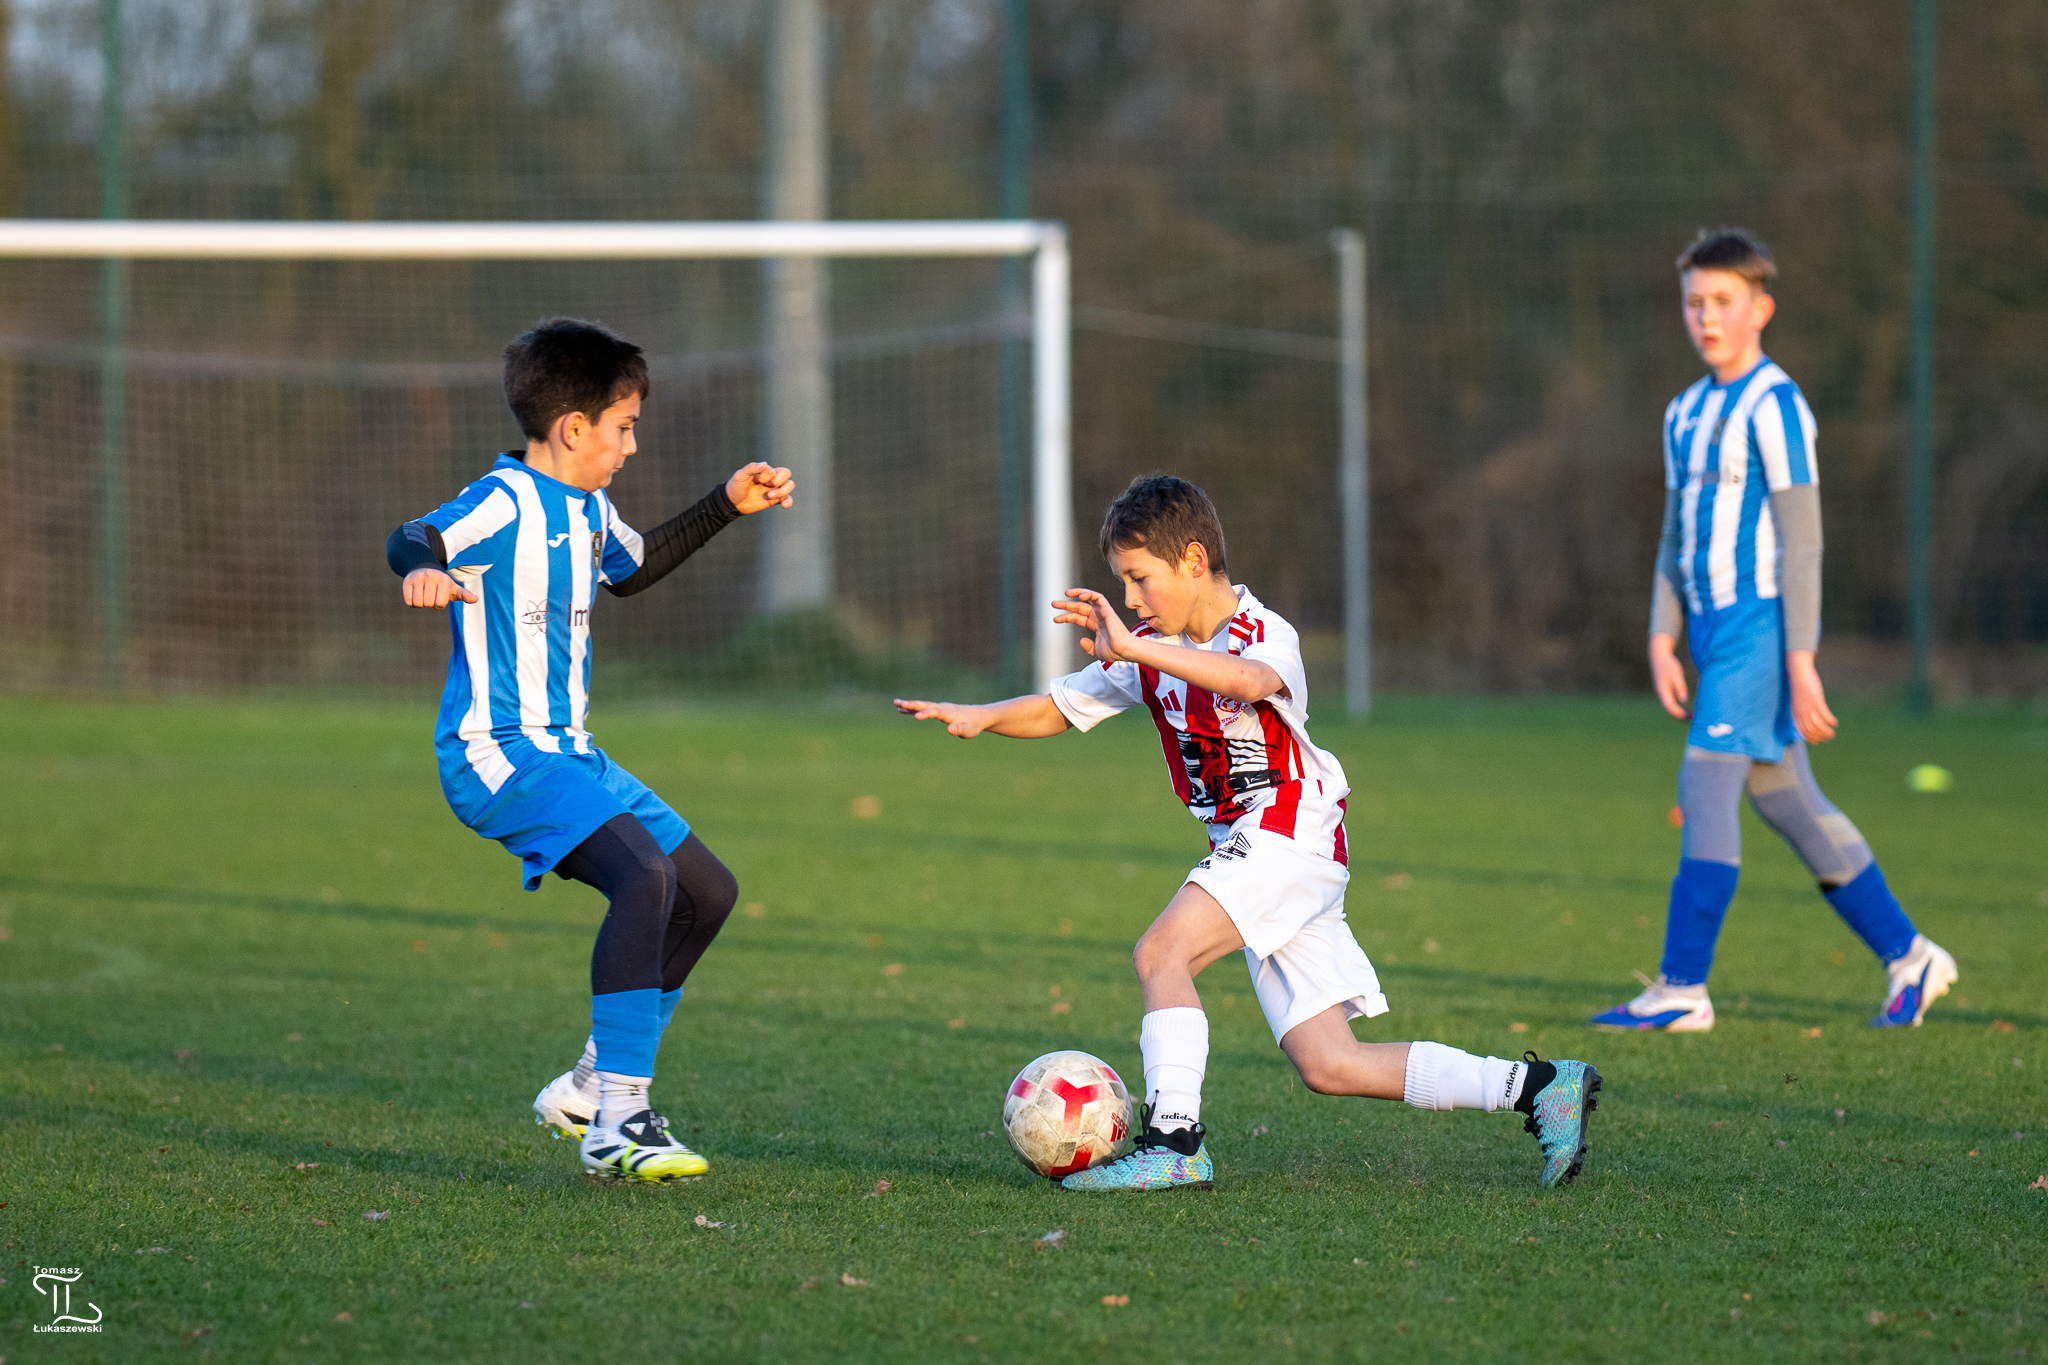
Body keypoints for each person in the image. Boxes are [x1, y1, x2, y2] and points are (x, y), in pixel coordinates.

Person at [898, 475, 1601, 1191]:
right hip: (1263, 848)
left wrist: (1139, 651)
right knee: (1331, 1063)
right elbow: (1060, 706)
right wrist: (982, 715)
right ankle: (1542, 1087)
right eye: (1123, 582)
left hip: (1288, 831)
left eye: (1140, 578)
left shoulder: (1262, 632)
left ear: (1193, 560)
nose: (1131, 599)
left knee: (1162, 952)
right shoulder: (1151, 649)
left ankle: (1175, 1142)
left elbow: (1248, 682)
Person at [385, 317, 795, 1181]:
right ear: (575, 428)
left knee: (706, 893)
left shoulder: (589, 508)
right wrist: (421, 569)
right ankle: (620, 1116)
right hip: (497, 753)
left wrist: (726, 502)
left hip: (571, 753)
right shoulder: (505, 499)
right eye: (625, 427)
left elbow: (632, 569)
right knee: (644, 876)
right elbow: (415, 536)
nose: (632, 445)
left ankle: (584, 1089)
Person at [1591, 229, 1957, 1033]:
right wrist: (1661, 635)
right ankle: (1910, 955)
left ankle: (1683, 987)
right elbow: (1674, 534)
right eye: (1695, 302)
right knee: (1787, 799)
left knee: (1705, 787)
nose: (1706, 317)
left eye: (1723, 301)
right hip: (1713, 632)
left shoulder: (1776, 404)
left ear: (1761, 308)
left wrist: (1801, 659)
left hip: (1760, 628)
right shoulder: (1684, 411)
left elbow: (1804, 541)